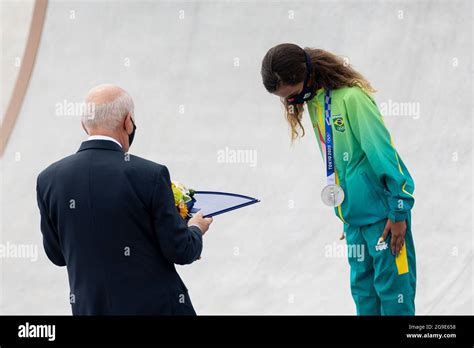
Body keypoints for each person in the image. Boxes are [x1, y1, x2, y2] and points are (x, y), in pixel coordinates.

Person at [261, 43, 416, 315]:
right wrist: (348, 210)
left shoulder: (352, 99)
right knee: (364, 296)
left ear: (306, 75)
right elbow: (340, 164)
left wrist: (399, 211)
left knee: (394, 298)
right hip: (354, 219)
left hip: (386, 219)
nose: (292, 103)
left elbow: (384, 156)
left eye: (293, 95)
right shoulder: (316, 102)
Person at [36, 84, 213, 315]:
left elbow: (57, 255)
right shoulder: (150, 174)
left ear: (84, 125)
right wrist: (195, 229)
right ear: (128, 122)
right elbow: (180, 250)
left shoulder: (48, 179)